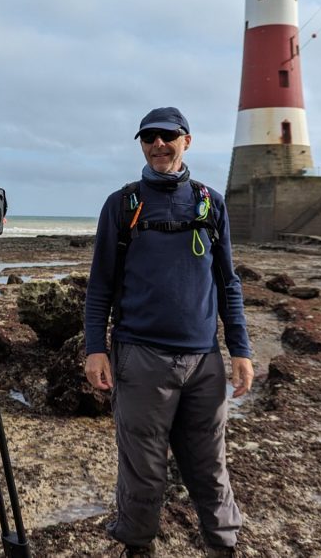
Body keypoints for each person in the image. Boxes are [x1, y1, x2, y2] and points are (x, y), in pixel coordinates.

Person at [84, 106, 254, 557]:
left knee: (209, 464)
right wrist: (94, 348)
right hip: (139, 357)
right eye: (149, 137)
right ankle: (137, 546)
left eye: (168, 136)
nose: (159, 144)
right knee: (143, 467)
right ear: (141, 144)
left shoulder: (210, 202)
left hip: (205, 361)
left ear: (186, 140)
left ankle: (224, 545)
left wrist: (240, 348)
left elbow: (228, 283)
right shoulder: (122, 205)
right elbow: (99, 284)